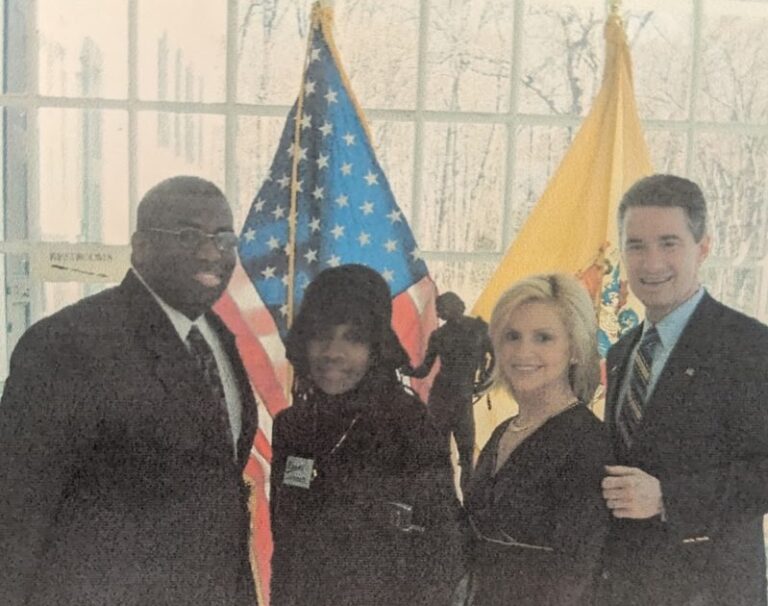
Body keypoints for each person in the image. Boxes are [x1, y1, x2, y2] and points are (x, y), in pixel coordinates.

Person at [0, 176, 258, 606]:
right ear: (140, 246)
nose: (211, 252)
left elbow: (220, 497)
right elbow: (17, 509)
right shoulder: (69, 343)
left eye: (224, 238)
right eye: (188, 235)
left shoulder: (217, 337)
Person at [597, 174, 768, 606]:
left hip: (711, 591)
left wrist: (668, 497)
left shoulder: (751, 346)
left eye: (668, 243)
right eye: (636, 245)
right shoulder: (621, 353)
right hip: (623, 587)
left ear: (703, 247)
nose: (651, 263)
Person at [269, 264, 464, 606]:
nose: (332, 352)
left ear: (377, 348)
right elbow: (286, 550)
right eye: (321, 334)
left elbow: (442, 550)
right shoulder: (293, 426)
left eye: (353, 338)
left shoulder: (408, 423)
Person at [463, 273, 610, 606]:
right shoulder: (503, 431)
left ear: (574, 350)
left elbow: (577, 577)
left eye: (543, 338)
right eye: (512, 336)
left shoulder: (589, 445)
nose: (522, 351)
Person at [401, 291, 493, 495]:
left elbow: (496, 358)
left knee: (465, 452)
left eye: (441, 308)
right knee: (443, 453)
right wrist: (406, 368)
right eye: (438, 309)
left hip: (458, 397)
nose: (439, 312)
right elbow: (424, 370)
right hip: (445, 397)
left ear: (454, 306)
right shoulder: (440, 335)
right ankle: (446, 500)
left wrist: (485, 380)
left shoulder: (478, 329)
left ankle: (464, 500)